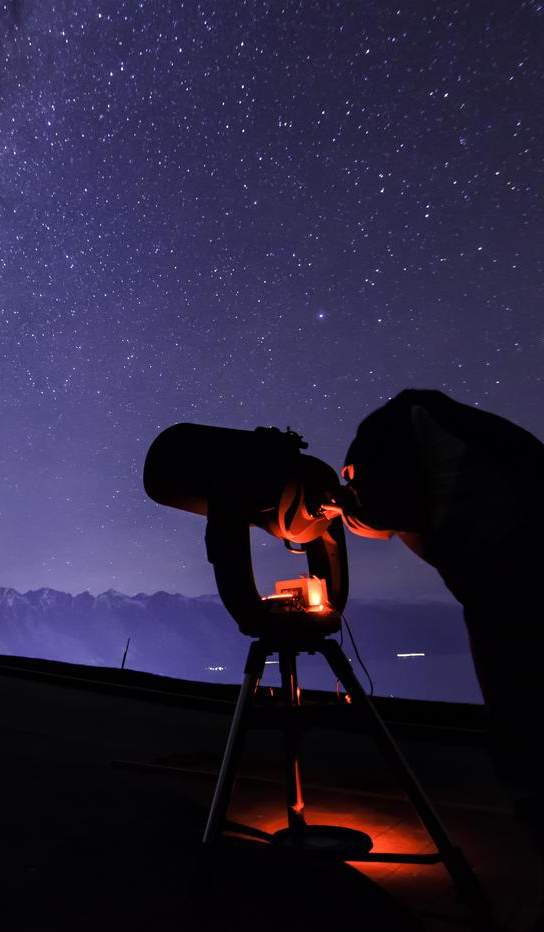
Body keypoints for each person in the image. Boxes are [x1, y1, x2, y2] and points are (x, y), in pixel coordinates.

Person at [325, 388, 544, 854]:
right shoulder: (433, 428)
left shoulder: (386, 439)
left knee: (521, 707)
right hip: (508, 569)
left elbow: (387, 509)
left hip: (510, 575)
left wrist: (351, 511)